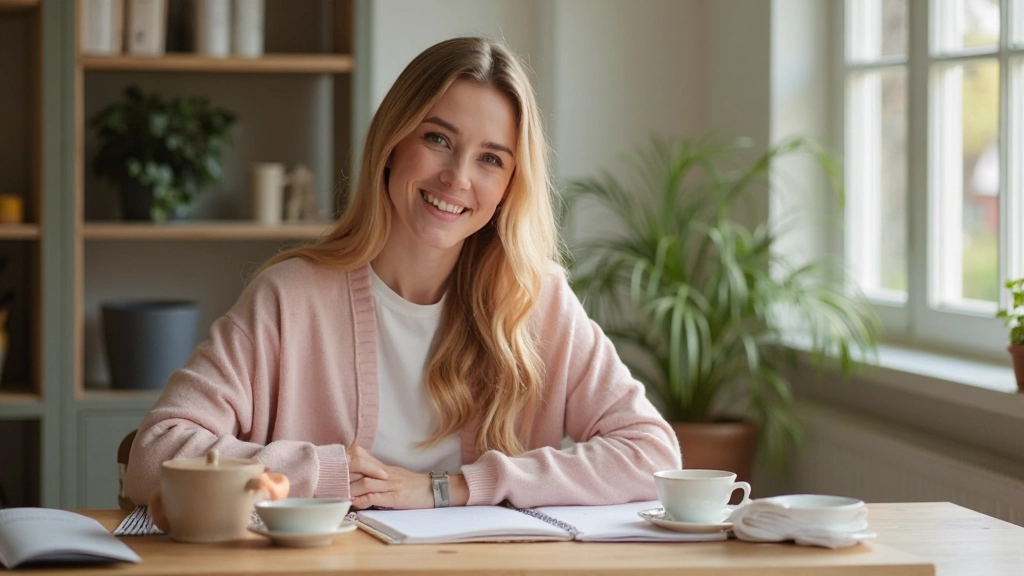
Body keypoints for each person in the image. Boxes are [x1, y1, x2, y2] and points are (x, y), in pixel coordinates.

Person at [123, 36, 681, 511]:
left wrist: (456, 487)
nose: (457, 177)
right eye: (437, 139)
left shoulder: (534, 301)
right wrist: (333, 473)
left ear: (510, 185)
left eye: (491, 158)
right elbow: (155, 456)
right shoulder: (290, 297)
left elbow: (651, 453)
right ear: (392, 143)